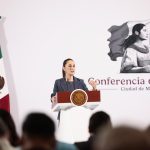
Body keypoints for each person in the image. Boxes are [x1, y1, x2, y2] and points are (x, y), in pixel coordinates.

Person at [51, 58, 97, 122]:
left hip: (80, 116)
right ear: (64, 68)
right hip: (64, 117)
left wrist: (94, 88)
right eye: (69, 66)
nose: (72, 68)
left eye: (73, 66)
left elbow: (88, 96)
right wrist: (53, 98)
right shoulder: (58, 82)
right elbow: (54, 95)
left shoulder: (80, 82)